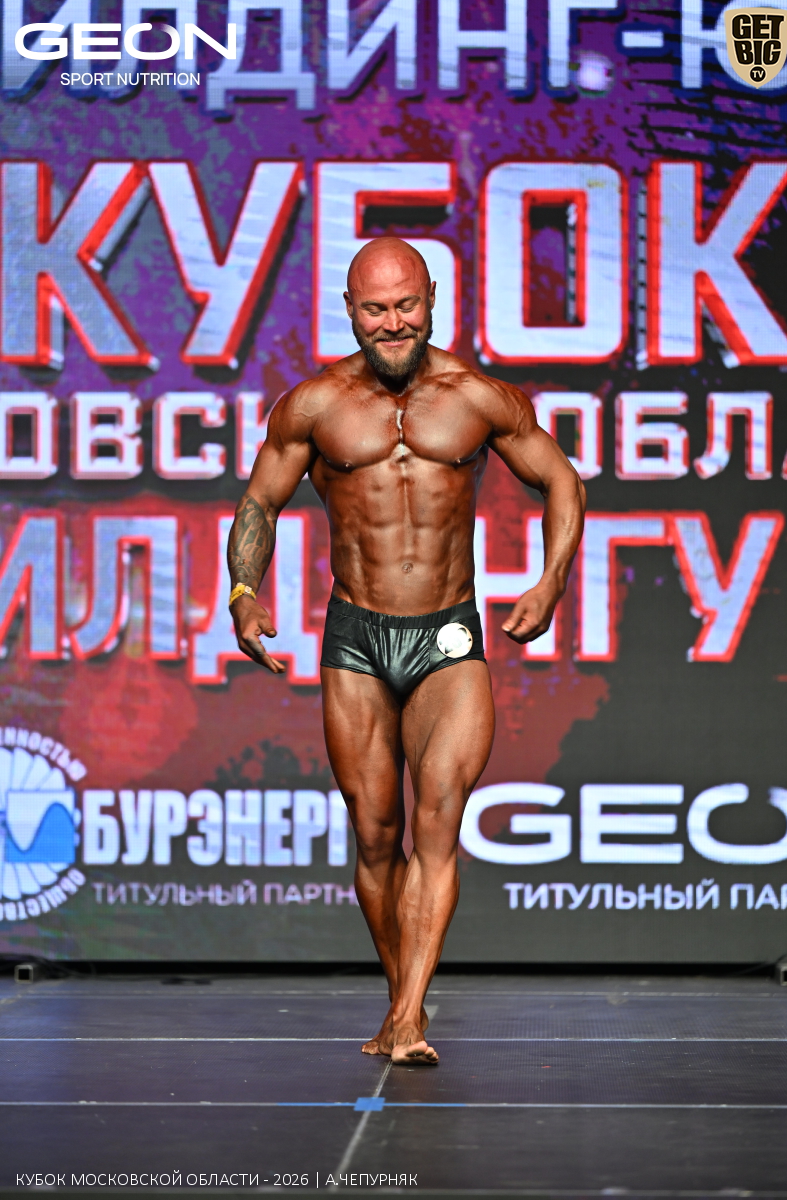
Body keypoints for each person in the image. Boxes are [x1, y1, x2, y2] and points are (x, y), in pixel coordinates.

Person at [228, 237, 586, 1065]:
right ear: (350, 312)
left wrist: (551, 581)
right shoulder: (313, 406)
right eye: (375, 309)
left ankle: (411, 1016)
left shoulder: (477, 397)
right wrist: (245, 594)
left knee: (437, 822)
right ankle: (399, 1000)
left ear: (432, 300)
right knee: (375, 834)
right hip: (355, 638)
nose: (393, 323)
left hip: (448, 635)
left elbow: (561, 479)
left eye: (406, 305)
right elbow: (259, 504)